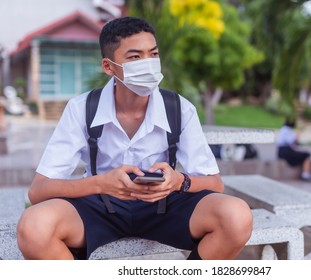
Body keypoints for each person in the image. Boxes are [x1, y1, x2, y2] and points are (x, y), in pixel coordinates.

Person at [16, 16, 253, 260]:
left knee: (236, 215)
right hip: (99, 206)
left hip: (165, 206)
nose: (148, 64)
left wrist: (177, 181)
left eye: (153, 54)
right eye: (135, 57)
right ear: (108, 67)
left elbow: (215, 183)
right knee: (34, 227)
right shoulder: (82, 109)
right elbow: (39, 191)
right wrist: (100, 184)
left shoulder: (179, 109)